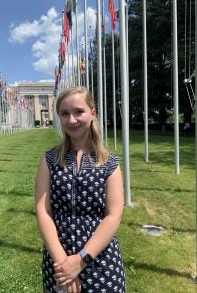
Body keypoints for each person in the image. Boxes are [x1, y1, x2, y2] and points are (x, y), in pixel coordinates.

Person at [35, 86, 126, 293]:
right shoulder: (49, 159)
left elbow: (113, 215)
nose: (72, 120)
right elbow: (43, 211)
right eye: (64, 114)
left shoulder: (109, 163)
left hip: (100, 260)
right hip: (59, 260)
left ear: (92, 113)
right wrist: (63, 264)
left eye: (78, 112)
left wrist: (80, 260)